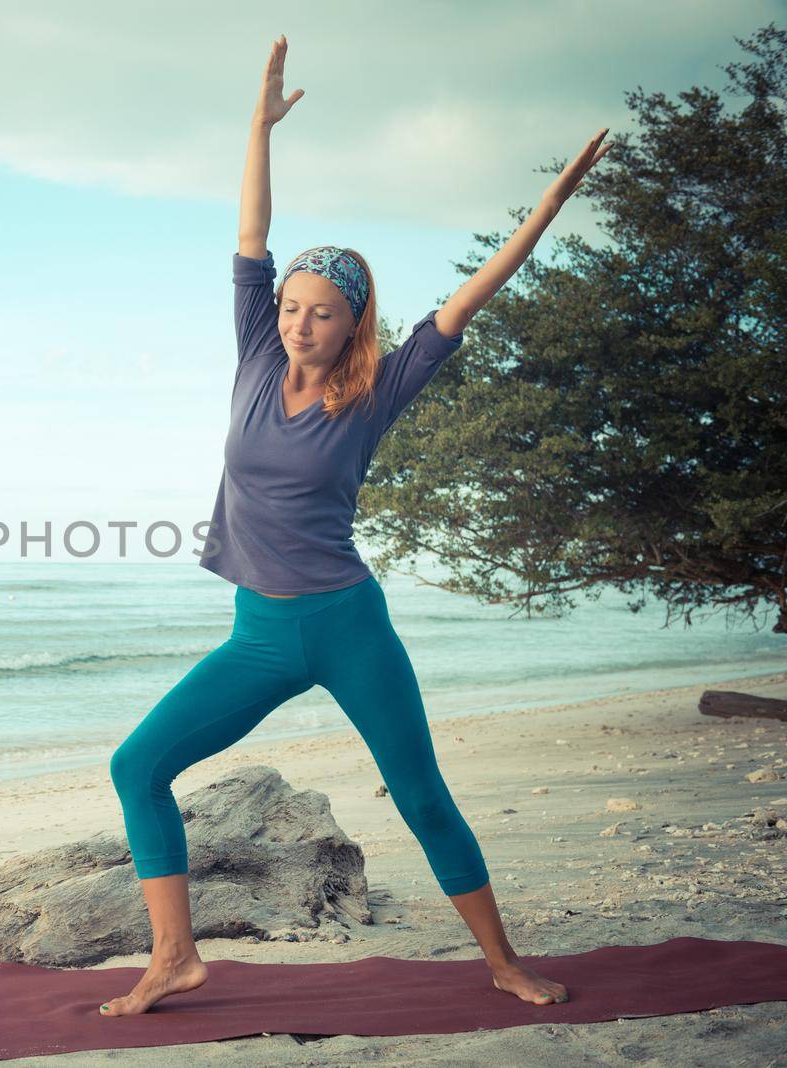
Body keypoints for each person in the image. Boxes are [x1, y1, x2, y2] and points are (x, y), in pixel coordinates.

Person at [100, 34, 609, 1017]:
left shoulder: (378, 388)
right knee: (137, 766)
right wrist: (255, 127)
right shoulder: (253, 352)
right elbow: (252, 230)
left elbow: (469, 300)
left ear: (353, 322)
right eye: (290, 306)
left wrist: (545, 209)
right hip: (259, 632)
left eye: (321, 311)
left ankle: (501, 961)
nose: (297, 321)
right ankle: (174, 956)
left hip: (345, 623)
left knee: (420, 796)